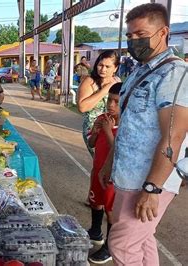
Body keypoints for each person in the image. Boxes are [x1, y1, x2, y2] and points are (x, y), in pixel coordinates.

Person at [97, 4, 188, 265]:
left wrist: (152, 188)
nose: (134, 41)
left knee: (122, 244)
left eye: (141, 34)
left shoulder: (174, 74)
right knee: (142, 239)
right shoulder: (141, 70)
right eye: (130, 36)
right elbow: (128, 126)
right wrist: (109, 163)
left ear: (164, 32)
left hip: (150, 179)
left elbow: (174, 136)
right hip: (129, 175)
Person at [86, 83, 121, 264]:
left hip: (112, 177)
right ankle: (95, 231)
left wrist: (107, 131)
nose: (111, 105)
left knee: (111, 212)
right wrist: (97, 131)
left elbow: (119, 150)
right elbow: (92, 143)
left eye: (116, 101)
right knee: (95, 203)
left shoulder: (125, 126)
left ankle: (110, 246)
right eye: (109, 100)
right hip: (98, 172)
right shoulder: (102, 118)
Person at [77, 50, 121, 157]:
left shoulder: (117, 80)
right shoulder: (90, 81)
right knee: (102, 159)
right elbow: (82, 107)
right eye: (100, 65)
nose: (103, 69)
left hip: (113, 127)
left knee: (114, 159)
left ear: (115, 68)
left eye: (107, 66)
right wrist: (105, 90)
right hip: (94, 128)